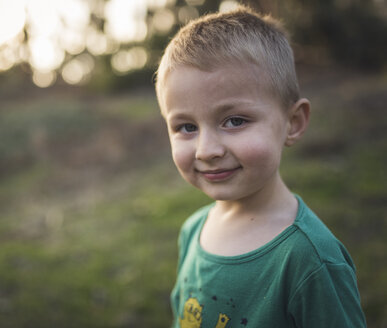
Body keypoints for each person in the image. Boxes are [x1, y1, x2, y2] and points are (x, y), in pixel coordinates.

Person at [154, 5, 366, 328]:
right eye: (186, 127)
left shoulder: (309, 261)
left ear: (292, 123)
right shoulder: (192, 231)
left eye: (235, 120)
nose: (206, 150)